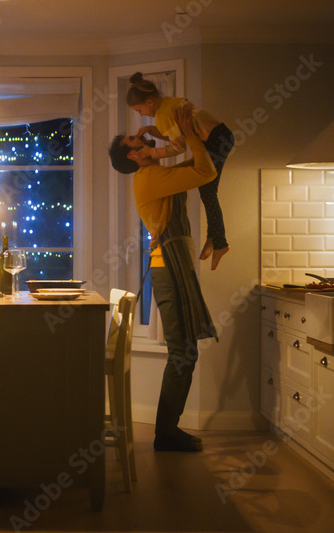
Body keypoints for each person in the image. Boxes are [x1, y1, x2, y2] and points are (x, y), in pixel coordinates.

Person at [109, 104, 218, 452]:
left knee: (184, 352)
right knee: (182, 352)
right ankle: (165, 433)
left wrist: (181, 137)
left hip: (172, 268)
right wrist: (185, 133)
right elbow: (204, 171)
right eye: (135, 138)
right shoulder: (151, 176)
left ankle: (167, 431)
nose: (141, 135)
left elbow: (197, 166)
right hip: (169, 270)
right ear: (134, 155)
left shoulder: (154, 174)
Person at [112, 71, 235, 270]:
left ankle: (218, 241)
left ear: (149, 102)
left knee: (208, 191)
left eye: (139, 110)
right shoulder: (168, 104)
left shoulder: (162, 118)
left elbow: (181, 148)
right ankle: (217, 239)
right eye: (137, 112)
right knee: (209, 191)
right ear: (132, 155)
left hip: (215, 138)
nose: (141, 115)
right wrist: (155, 140)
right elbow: (182, 143)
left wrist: (153, 147)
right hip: (218, 136)